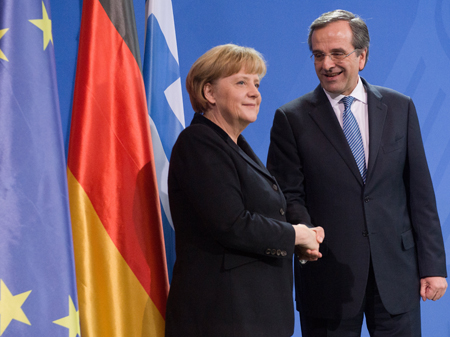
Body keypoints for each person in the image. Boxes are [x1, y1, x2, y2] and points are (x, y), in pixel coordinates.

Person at [267, 9, 447, 337]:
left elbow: (420, 193)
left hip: (396, 276)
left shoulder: (399, 107)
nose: (326, 64)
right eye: (318, 55)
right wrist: (306, 235)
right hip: (327, 277)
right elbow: (287, 194)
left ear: (362, 56)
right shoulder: (291, 118)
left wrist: (433, 266)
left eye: (337, 53)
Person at [164, 44, 324, 337]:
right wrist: (294, 234)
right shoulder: (198, 143)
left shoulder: (236, 148)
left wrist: (301, 239)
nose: (255, 92)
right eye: (241, 82)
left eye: (257, 84)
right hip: (222, 318)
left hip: (255, 317)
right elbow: (232, 223)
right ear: (209, 93)